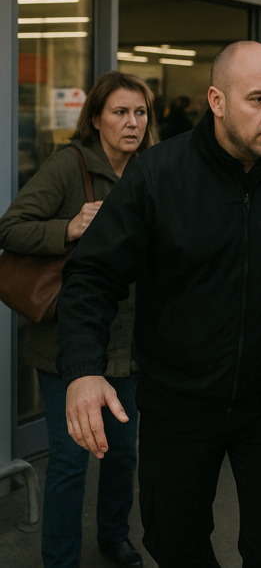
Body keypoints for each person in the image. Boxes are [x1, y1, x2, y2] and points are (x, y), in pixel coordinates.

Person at [56, 42, 261, 567]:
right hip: (179, 404)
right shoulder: (158, 176)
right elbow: (92, 273)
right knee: (175, 543)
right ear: (217, 101)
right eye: (259, 98)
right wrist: (84, 369)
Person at [0, 71, 156, 568]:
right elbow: (11, 227)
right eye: (119, 112)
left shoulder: (151, 169)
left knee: (123, 451)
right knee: (69, 462)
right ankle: (59, 559)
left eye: (140, 112)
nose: (132, 123)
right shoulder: (68, 166)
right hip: (67, 341)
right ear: (95, 118)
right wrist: (68, 226)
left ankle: (114, 535)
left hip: (130, 339)